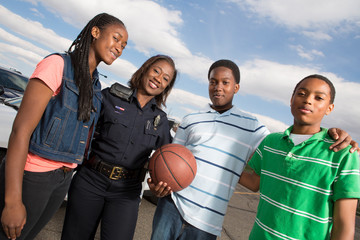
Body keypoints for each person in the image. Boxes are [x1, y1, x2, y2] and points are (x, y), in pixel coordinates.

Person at [150, 60, 359, 239]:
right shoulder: (190, 119)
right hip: (173, 204)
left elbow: (266, 167)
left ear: (236, 87)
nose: (218, 87)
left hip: (208, 218)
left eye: (225, 82)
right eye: (213, 81)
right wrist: (159, 182)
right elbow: (169, 161)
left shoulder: (254, 127)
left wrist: (339, 134)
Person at [0, 13, 128, 240]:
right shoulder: (57, 64)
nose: (119, 48)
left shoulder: (96, 84)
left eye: (124, 45)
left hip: (63, 177)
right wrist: (12, 201)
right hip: (34, 174)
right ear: (95, 32)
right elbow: (21, 131)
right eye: (116, 39)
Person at [61, 54, 177, 240]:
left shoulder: (161, 121)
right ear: (145, 69)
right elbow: (81, 130)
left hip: (127, 192)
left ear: (166, 87)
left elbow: (166, 160)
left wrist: (157, 185)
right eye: (156, 70)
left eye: (166, 78)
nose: (158, 78)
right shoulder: (109, 97)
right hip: (90, 181)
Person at [239, 74, 360, 239]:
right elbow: (254, 182)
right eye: (302, 94)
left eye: (318, 98)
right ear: (291, 99)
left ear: (329, 108)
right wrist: (217, 163)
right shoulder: (270, 142)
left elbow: (344, 226)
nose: (308, 100)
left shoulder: (343, 153)